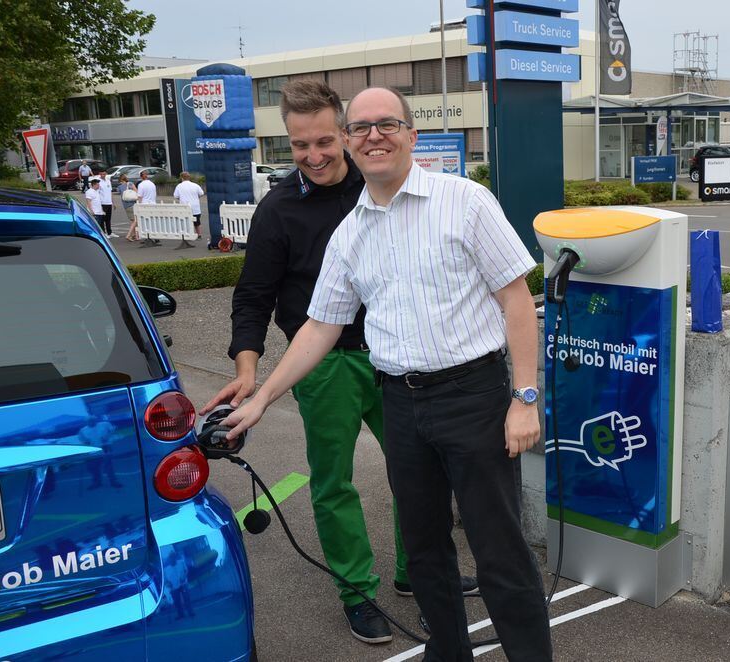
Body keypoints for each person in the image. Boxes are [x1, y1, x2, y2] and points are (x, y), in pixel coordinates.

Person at [222, 86, 552, 662]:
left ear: (411, 135)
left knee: (498, 550)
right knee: (424, 550)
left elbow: (517, 301)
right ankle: (447, 652)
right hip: (400, 400)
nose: (374, 136)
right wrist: (262, 396)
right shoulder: (351, 232)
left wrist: (525, 398)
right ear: (351, 141)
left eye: (387, 125)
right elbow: (319, 327)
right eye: (362, 128)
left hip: (473, 395)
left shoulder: (465, 201)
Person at [200, 80, 476, 646]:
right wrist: (248, 369)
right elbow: (253, 296)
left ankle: (419, 577)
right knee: (333, 484)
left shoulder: (380, 185)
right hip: (323, 364)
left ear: (346, 135)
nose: (315, 156)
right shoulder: (277, 210)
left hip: (397, 354)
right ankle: (357, 592)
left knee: (420, 475)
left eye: (325, 141)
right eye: (300, 145)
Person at [173, 172, 205, 238]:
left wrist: (181, 198)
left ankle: (188, 234)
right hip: (195, 207)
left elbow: (176, 196)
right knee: (197, 222)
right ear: (189, 177)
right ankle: (199, 234)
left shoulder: (179, 186)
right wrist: (196, 197)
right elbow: (201, 193)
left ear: (182, 178)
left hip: (185, 207)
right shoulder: (195, 185)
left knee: (185, 221)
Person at [118, 174, 139, 241]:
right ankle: (129, 235)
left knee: (132, 221)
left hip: (125, 205)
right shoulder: (130, 184)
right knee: (135, 220)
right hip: (132, 204)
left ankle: (135, 235)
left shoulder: (119, 187)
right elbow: (137, 192)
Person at [97, 170, 116, 238]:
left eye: (104, 174)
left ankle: (109, 232)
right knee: (102, 219)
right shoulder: (98, 182)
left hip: (109, 202)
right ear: (99, 174)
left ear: (106, 174)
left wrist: (113, 202)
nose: (103, 175)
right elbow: (97, 193)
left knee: (108, 219)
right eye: (101, 174)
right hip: (102, 203)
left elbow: (110, 192)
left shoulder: (108, 181)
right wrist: (99, 203)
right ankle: (103, 233)